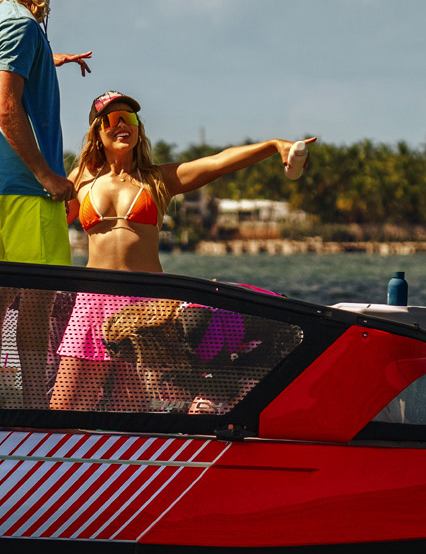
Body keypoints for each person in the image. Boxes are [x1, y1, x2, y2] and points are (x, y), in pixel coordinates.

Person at [49, 90, 313, 411]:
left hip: (145, 305)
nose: (122, 125)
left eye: (129, 118)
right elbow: (49, 222)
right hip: (92, 301)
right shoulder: (80, 179)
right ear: (97, 131)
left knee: (133, 405)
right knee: (64, 403)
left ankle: (141, 444)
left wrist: (272, 146)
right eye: (112, 119)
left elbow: (217, 163)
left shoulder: (159, 179)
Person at [0, 0, 92, 408]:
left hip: (3, 185)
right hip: (29, 186)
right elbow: (6, 108)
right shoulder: (20, 23)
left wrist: (47, 59)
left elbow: (1, 80)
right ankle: (32, 406)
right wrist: (46, 175)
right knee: (38, 299)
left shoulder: (0, 20)